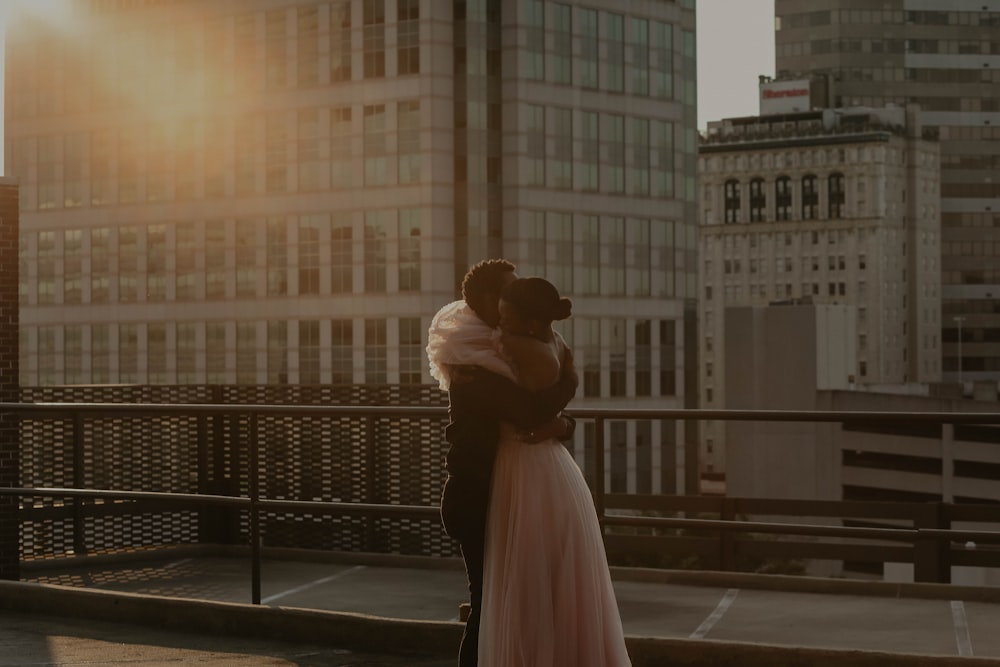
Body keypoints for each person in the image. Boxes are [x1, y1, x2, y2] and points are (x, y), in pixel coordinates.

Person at [426, 260, 578, 667]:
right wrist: (571, 384)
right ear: (492, 301)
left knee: (505, 604)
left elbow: (535, 410)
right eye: (510, 291)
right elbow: (529, 412)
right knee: (487, 605)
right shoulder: (474, 361)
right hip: (476, 498)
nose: (518, 295)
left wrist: (564, 424)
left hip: (500, 493)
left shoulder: (502, 346)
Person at [478, 277, 631, 667]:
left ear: (530, 323)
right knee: (561, 578)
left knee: (527, 580)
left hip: (524, 466)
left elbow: (531, 412)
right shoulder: (558, 347)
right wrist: (566, 416)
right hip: (557, 469)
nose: (500, 325)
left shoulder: (511, 345)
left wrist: (562, 416)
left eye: (507, 317)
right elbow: (553, 406)